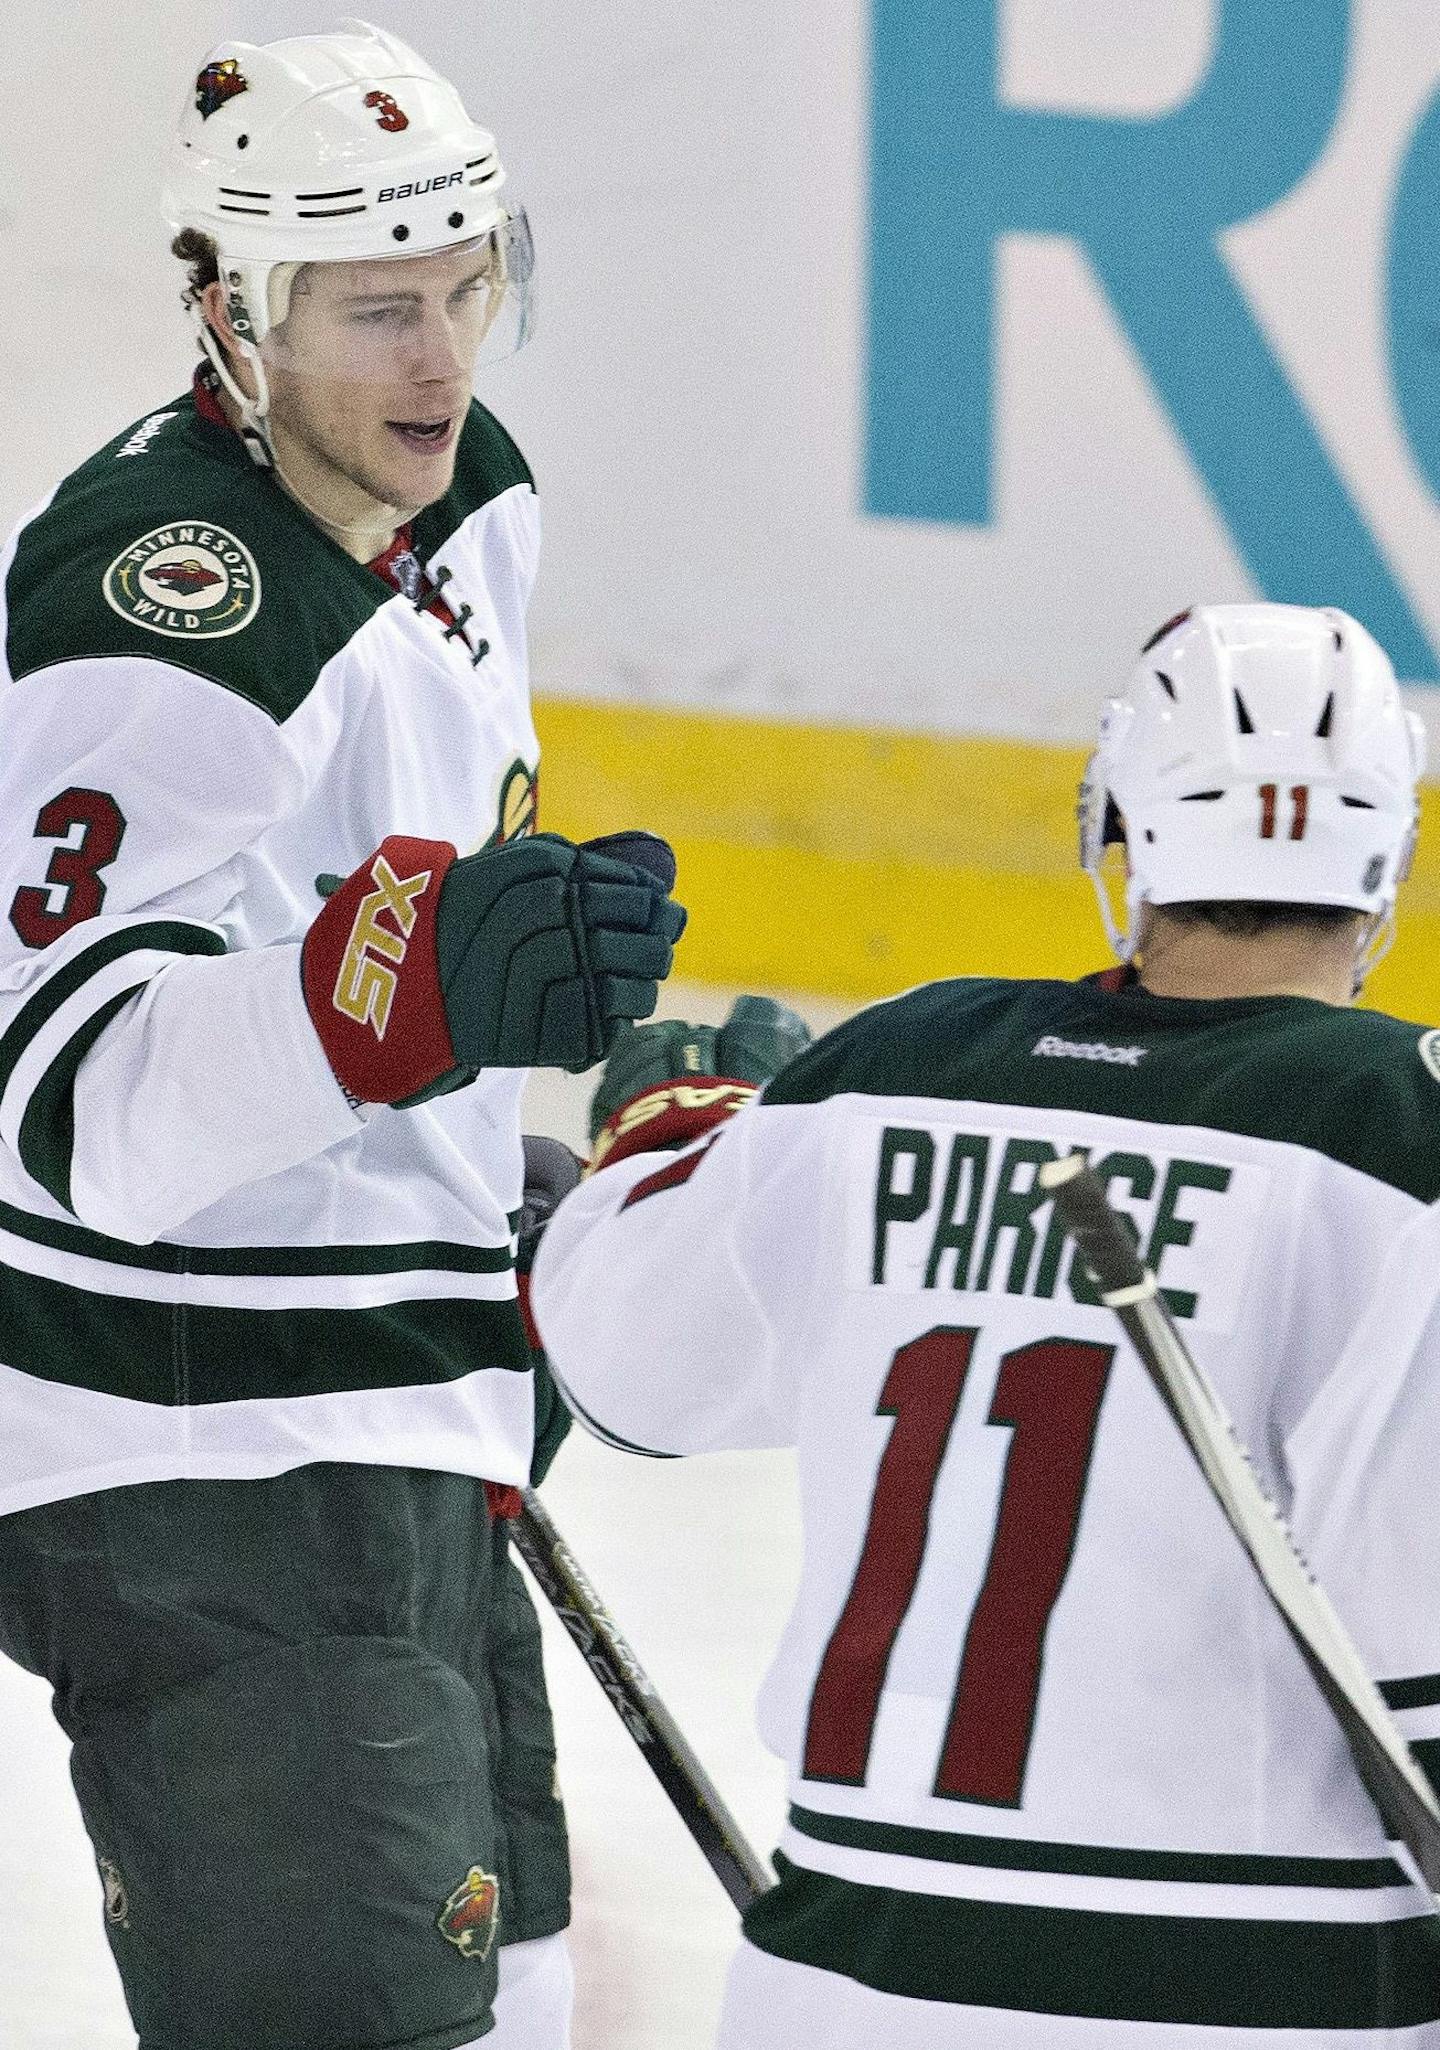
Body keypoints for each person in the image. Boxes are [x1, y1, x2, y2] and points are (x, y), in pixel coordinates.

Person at [0, 21, 684, 2050]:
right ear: (230, 313)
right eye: (376, 308)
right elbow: (73, 1115)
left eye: (472, 282)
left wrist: (499, 1187)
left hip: (394, 1384)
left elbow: (380, 916)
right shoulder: (155, 621)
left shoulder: (470, 492)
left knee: (518, 1969)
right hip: (206, 1448)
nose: (443, 359)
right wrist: (400, 1001)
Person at [533, 601, 1440, 2047]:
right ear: (1386, 863)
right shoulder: (1407, 1142)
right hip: (1264, 2001)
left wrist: (664, 1130)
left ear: (1121, 835)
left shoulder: (894, 1067)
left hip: (842, 1987)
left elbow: (624, 1360)